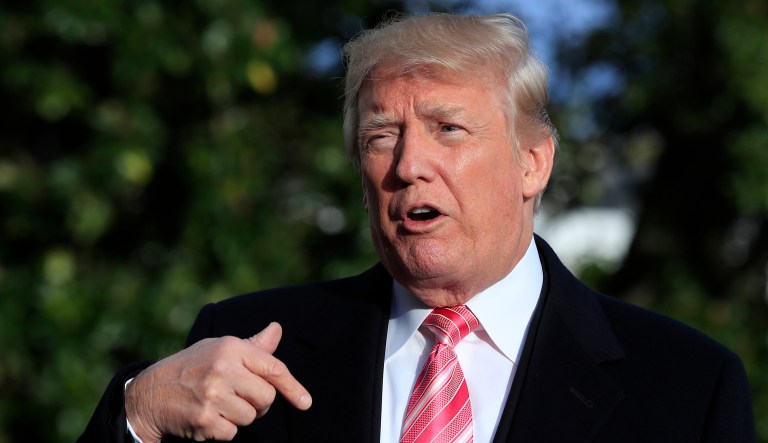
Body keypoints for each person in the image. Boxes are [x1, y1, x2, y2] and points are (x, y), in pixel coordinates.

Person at [79, 12, 755, 443]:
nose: (407, 165)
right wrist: (138, 415)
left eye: (447, 129)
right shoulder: (250, 346)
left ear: (532, 162)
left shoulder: (687, 386)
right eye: (381, 136)